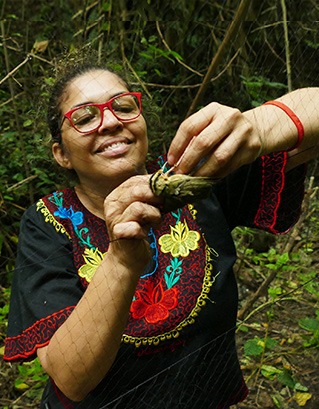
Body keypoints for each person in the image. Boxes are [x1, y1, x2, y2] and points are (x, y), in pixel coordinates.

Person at [3, 58, 319, 409]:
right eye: (85, 117)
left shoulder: (193, 177)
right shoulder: (47, 222)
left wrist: (259, 126)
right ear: (61, 155)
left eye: (123, 107)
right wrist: (122, 261)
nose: (109, 122)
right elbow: (70, 377)